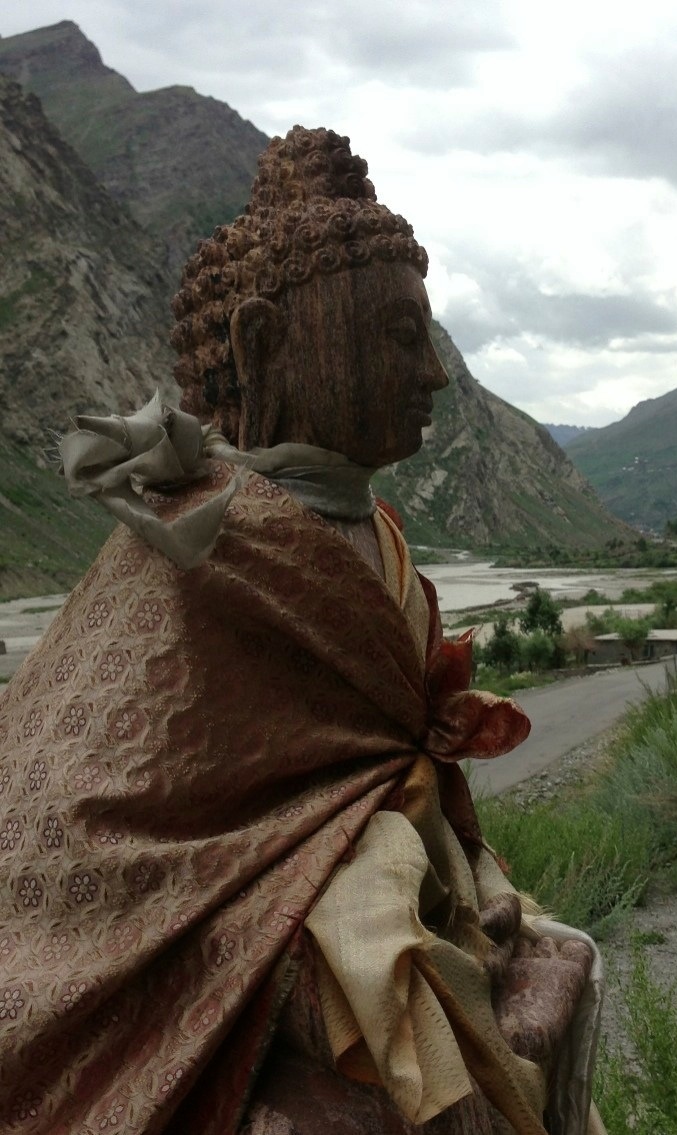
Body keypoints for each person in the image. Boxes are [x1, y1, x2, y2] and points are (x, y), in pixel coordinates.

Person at [0, 127, 604, 1135]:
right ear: (260, 344)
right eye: (397, 337)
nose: (432, 374)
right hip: (249, 935)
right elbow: (88, 818)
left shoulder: (379, 536)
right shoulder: (198, 544)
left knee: (552, 961)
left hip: (397, 882)